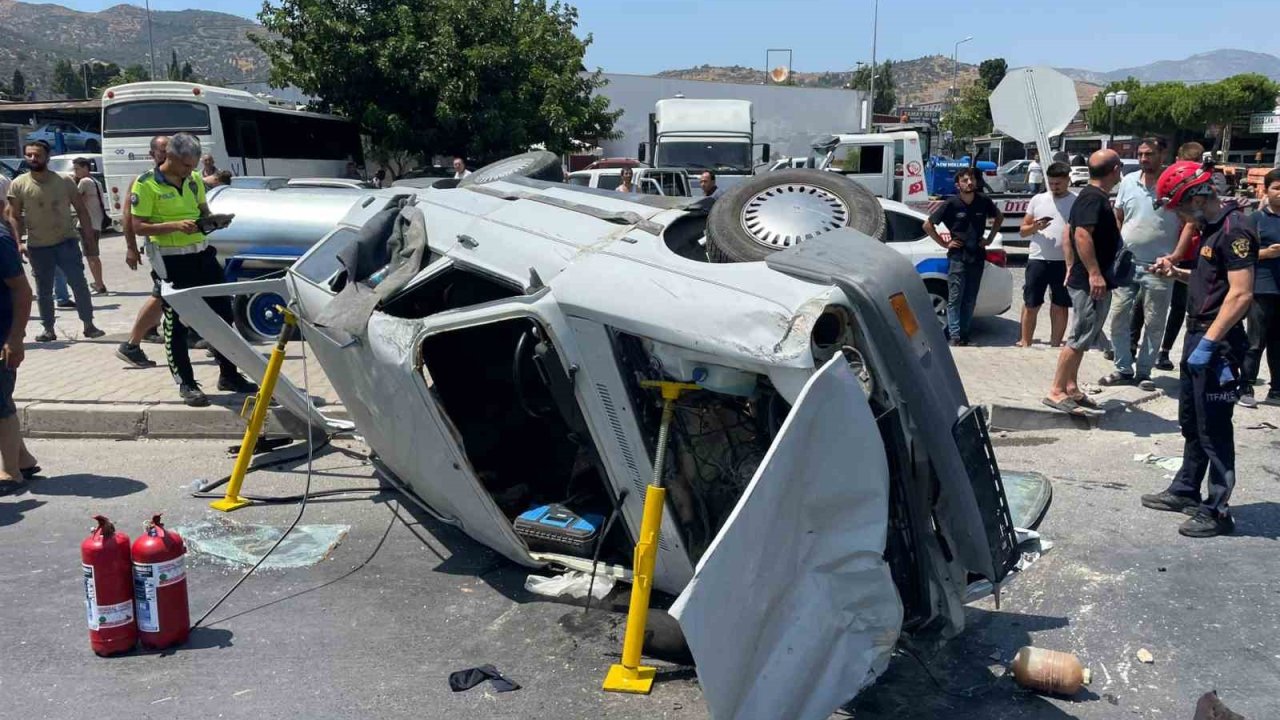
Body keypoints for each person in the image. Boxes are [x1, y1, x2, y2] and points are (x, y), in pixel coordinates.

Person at [1142, 161, 1257, 537]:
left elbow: (1240, 294)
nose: (1177, 214)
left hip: (1217, 341)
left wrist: (1209, 343)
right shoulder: (1210, 229)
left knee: (1215, 428)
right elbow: (1215, 281)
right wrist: (1176, 273)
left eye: (1178, 206)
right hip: (1198, 335)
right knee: (1192, 422)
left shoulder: (1234, 229)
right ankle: (1186, 489)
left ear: (1195, 196)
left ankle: (1219, 510)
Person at [128, 132, 258, 406]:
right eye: (186, 165)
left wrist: (214, 221)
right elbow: (138, 226)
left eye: (194, 165)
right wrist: (173, 226)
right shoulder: (146, 184)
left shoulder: (194, 180)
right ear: (170, 157)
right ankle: (186, 383)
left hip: (201, 255)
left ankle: (229, 375)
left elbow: (203, 213)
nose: (191, 171)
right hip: (171, 260)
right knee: (176, 324)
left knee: (223, 316)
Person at [1042, 149, 1124, 416]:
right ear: (1115, 170)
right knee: (1078, 337)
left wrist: (1072, 267)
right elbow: (1080, 235)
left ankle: (1071, 386)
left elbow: (1068, 232)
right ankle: (1056, 390)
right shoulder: (1092, 198)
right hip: (1091, 283)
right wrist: (1093, 273)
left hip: (1092, 279)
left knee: (1086, 336)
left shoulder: (1092, 196)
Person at [1099, 139, 1180, 391]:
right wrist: (1115, 250)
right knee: (1119, 317)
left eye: (1150, 154)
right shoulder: (1128, 181)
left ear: (1162, 153)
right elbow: (1119, 216)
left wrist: (1175, 257)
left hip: (1159, 265)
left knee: (1155, 322)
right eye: (1141, 154)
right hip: (1127, 263)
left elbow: (1189, 221)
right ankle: (1123, 368)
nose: (1144, 158)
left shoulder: (1174, 183)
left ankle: (1144, 372)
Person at [6, 140, 104, 342]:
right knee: (43, 290)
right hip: (38, 246)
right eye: (29, 155)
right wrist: (18, 242)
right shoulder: (19, 184)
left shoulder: (65, 181)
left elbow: (81, 210)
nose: (33, 158)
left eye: (38, 155)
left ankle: (89, 324)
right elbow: (13, 215)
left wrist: (89, 239)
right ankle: (48, 329)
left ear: (47, 157)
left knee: (79, 284)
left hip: (66, 241)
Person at [924, 168, 1003, 345]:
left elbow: (999, 217)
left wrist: (989, 238)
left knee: (970, 298)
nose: (970, 183)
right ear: (957, 184)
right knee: (955, 298)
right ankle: (955, 336)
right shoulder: (951, 204)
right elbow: (927, 225)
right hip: (957, 256)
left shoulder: (983, 201)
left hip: (977, 255)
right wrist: (945, 244)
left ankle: (965, 336)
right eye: (965, 180)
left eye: (972, 179)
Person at [1150, 142, 1210, 371]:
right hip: (1166, 252)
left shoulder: (1197, 189)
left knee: (1177, 306)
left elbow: (1191, 224)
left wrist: (1175, 256)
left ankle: (1164, 351)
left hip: (1185, 255)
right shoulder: (1171, 183)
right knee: (1149, 302)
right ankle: (1141, 346)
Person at [115, 135, 169, 368]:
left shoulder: (183, 178)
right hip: (161, 249)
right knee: (162, 295)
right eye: (162, 151)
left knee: (167, 297)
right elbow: (129, 217)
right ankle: (131, 344)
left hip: (184, 249)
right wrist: (130, 248)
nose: (168, 155)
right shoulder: (143, 181)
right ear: (152, 155)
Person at [1018, 161, 1074, 348]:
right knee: (1031, 302)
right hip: (1038, 258)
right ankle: (1025, 342)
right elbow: (1023, 231)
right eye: (1051, 183)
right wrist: (1035, 226)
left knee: (1060, 303)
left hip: (1063, 261)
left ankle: (1055, 344)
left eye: (1058, 183)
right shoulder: (1038, 200)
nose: (1054, 187)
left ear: (1068, 180)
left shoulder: (1075, 201)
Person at [1240, 168, 1280, 407]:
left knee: (1278, 343)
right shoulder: (1255, 220)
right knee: (1255, 341)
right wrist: (1266, 253)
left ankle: (1276, 390)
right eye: (1276, 188)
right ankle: (1245, 385)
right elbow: (1241, 253)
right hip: (1262, 288)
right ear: (1266, 190)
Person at [0, 227, 35, 494]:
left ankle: (10, 473)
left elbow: (23, 291)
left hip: (2, 336)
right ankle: (22, 460)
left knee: (0, 404)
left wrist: (15, 339)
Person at [71, 157, 108, 294]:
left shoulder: (85, 182)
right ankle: (99, 283)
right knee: (93, 254)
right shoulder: (95, 181)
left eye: (77, 169)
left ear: (86, 168)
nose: (75, 172)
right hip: (96, 223)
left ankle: (99, 285)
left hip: (88, 224)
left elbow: (74, 198)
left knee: (91, 255)